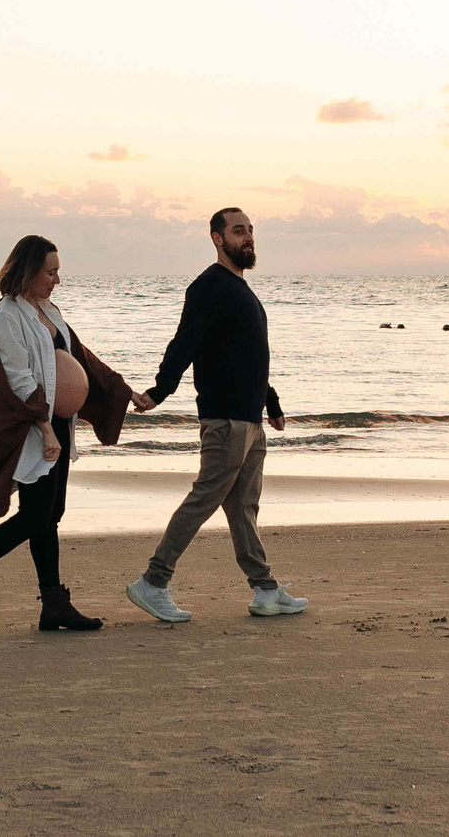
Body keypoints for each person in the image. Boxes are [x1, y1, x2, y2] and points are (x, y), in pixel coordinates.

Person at [0, 234, 154, 635]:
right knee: (35, 515)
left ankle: (53, 605)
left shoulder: (49, 310)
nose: (57, 280)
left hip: (57, 426)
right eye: (51, 272)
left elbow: (81, 358)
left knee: (49, 515)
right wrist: (45, 429)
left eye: (57, 272)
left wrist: (124, 390)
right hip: (32, 429)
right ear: (30, 270)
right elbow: (17, 378)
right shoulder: (7, 314)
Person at [123, 207, 309, 624]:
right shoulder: (209, 286)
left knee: (244, 508)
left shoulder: (241, 290)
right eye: (238, 230)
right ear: (217, 238)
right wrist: (159, 391)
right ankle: (153, 581)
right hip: (225, 419)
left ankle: (265, 590)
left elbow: (249, 356)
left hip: (249, 418)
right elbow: (184, 343)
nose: (248, 237)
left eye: (251, 231)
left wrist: (271, 402)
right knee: (205, 498)